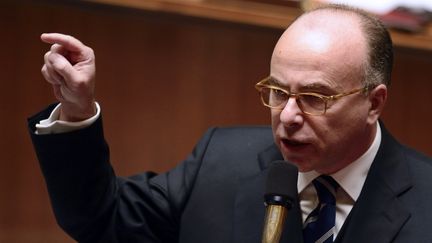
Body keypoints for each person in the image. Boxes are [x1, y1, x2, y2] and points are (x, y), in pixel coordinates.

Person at [28, 4, 432, 243]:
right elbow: (101, 219)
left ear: (374, 103)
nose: (288, 116)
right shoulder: (221, 161)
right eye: (277, 91)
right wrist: (77, 113)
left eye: (314, 98)